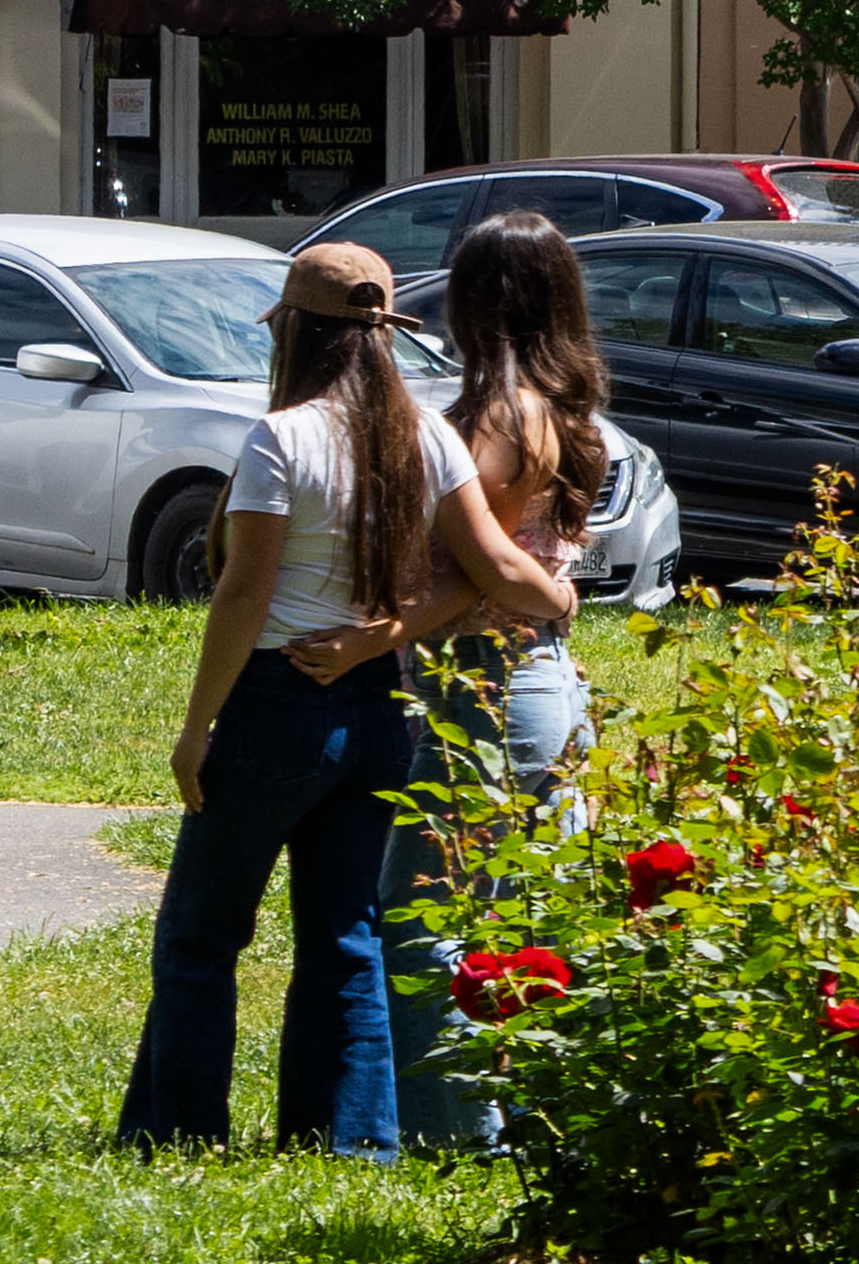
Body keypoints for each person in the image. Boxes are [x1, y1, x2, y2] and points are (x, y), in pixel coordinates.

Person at [114, 240, 571, 1155]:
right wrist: (555, 597)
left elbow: (245, 591)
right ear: (382, 335)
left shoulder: (281, 438)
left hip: (276, 702)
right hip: (378, 709)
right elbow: (490, 565)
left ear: (295, 331)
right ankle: (351, 1139)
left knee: (202, 933)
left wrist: (198, 726)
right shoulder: (428, 434)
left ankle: (179, 1134)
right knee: (346, 933)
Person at [372, 212, 621, 1150]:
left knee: (421, 914)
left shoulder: (499, 416)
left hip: (487, 679)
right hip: (541, 679)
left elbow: (483, 569)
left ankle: (460, 1134)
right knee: (524, 910)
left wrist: (373, 636)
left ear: (485, 302)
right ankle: (540, 1123)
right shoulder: (563, 408)